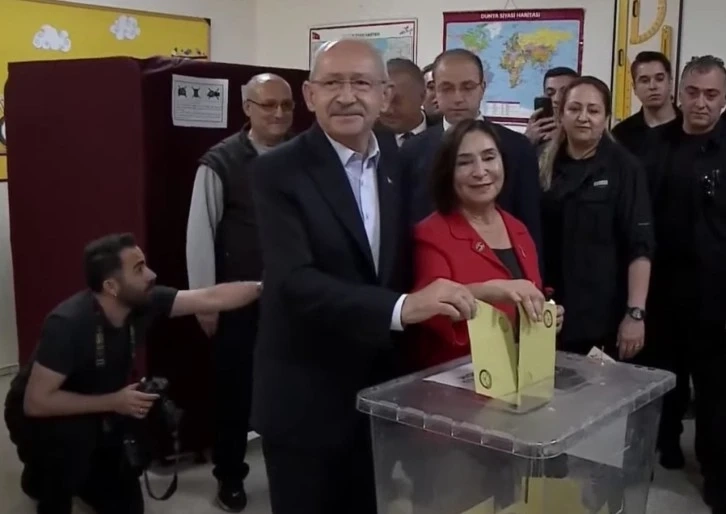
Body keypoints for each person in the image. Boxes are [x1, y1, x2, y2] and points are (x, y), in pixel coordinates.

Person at [249, 39, 477, 514]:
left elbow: (412, 256)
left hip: (377, 393)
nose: (346, 96)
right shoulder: (277, 171)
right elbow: (293, 282)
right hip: (305, 395)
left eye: (361, 83)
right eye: (332, 83)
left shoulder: (397, 160)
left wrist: (488, 290)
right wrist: (402, 308)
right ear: (310, 95)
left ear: (384, 94)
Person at [3, 233, 262, 514]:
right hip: (42, 417)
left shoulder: (145, 302)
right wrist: (115, 401)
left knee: (126, 506)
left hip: (99, 408)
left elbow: (210, 297)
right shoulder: (67, 324)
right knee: (67, 453)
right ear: (111, 286)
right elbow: (37, 402)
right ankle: (43, 479)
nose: (151, 274)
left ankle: (82, 476)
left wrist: (264, 287)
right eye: (139, 269)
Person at [185, 72, 293, 511]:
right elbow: (200, 233)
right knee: (234, 394)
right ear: (247, 108)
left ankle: (288, 473)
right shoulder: (220, 162)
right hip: (237, 302)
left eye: (286, 105)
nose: (278, 113)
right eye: (268, 105)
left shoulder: (304, 156)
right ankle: (229, 476)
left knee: (290, 392)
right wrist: (204, 301)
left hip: (294, 301)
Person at [412, 119, 564, 369]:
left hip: (521, 373)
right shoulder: (429, 234)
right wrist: (490, 291)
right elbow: (431, 312)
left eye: (489, 158)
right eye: (465, 162)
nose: (480, 171)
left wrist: (545, 315)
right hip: (456, 379)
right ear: (448, 172)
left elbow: (529, 293)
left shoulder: (518, 229)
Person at [646, 56, 726, 510]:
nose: (701, 103)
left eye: (711, 94)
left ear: (723, 99)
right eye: (693, 92)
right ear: (679, 93)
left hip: (716, 295)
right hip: (662, 291)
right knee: (666, 380)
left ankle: (716, 473)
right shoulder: (656, 146)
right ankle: (667, 444)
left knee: (715, 392)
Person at [538, 76, 654, 359]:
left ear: (606, 117)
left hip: (602, 316)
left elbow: (640, 246)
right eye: (574, 108)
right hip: (546, 311)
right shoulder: (540, 161)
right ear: (561, 114)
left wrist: (635, 314)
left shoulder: (625, 168)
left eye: (593, 110)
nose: (583, 117)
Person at [401, 49, 542, 254]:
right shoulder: (412, 151)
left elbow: (530, 226)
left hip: (500, 264)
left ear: (482, 88)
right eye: (447, 88)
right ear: (434, 91)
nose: (458, 98)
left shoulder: (517, 147)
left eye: (467, 87)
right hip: (431, 264)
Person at [612, 51, 679, 159]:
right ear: (634, 88)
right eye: (644, 80)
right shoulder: (621, 134)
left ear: (670, 82)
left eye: (659, 79)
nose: (652, 86)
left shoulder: (690, 127)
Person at [378, 58, 432, 146]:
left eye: (396, 101)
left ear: (422, 97)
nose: (387, 110)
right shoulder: (366, 137)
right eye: (383, 100)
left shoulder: (445, 134)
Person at [524, 67, 579, 149]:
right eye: (550, 93)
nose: (556, 99)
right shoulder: (538, 134)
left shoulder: (586, 133)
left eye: (564, 92)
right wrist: (526, 142)